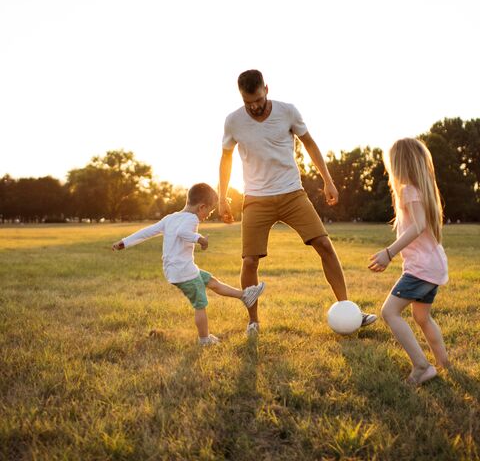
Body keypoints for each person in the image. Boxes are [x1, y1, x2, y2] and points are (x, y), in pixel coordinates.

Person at [218, 69, 376, 336]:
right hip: (256, 198)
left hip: (292, 193)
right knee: (249, 261)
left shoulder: (288, 111)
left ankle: (348, 310)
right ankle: (253, 321)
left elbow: (310, 144)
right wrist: (222, 197)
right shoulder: (233, 121)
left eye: (257, 99)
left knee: (325, 245)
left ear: (266, 89)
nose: (254, 107)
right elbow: (226, 158)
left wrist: (328, 179)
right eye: (248, 103)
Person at [112, 183, 265, 346]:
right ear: (202, 207)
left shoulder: (170, 218)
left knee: (211, 281)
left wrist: (124, 242)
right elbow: (183, 233)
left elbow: (147, 231)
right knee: (200, 304)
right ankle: (204, 339)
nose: (208, 215)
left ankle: (245, 296)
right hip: (184, 271)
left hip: (177, 270)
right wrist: (200, 239)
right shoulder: (192, 219)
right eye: (210, 211)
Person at [368, 138, 449, 385]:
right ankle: (445, 364)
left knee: (389, 312)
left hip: (422, 269)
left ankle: (422, 367)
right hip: (433, 266)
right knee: (422, 318)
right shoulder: (421, 190)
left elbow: (418, 226)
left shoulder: (409, 190)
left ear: (399, 164)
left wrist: (389, 253)